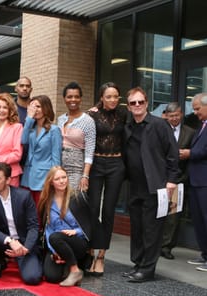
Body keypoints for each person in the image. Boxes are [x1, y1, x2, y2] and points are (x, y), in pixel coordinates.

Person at [122, 87, 179, 283]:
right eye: (133, 103)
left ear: (147, 103)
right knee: (137, 228)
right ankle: (138, 264)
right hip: (134, 186)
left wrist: (172, 179)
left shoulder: (159, 125)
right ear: (128, 107)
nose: (137, 105)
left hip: (155, 186)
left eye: (140, 102)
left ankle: (147, 269)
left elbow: (173, 154)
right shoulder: (128, 126)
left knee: (151, 229)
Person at [87, 82, 129, 276]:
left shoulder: (124, 114)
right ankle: (90, 251)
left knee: (109, 210)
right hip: (96, 163)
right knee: (93, 208)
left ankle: (102, 255)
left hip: (116, 165)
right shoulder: (92, 114)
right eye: (109, 96)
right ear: (102, 97)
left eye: (116, 96)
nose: (113, 100)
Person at [0, 163, 42, 284]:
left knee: (32, 278)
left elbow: (33, 226)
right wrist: (10, 241)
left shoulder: (24, 196)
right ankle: (0, 263)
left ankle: (29, 260)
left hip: (24, 244)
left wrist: (25, 248)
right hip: (4, 242)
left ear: (8, 180)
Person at [37, 166, 92, 287]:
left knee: (56, 237)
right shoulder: (46, 201)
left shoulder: (78, 197)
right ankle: (67, 265)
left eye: (64, 177)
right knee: (51, 277)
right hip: (55, 245)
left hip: (77, 242)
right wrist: (54, 251)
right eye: (57, 179)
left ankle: (74, 270)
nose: (62, 181)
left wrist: (76, 231)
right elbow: (47, 230)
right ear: (51, 182)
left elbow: (89, 225)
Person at [160, 103, 195, 260]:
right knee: (157, 213)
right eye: (171, 115)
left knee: (173, 215)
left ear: (181, 114)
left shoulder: (191, 133)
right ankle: (154, 245)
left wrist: (188, 154)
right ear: (166, 115)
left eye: (177, 115)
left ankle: (166, 247)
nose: (174, 118)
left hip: (179, 179)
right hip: (159, 178)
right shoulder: (159, 129)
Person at [20, 95, 62, 206]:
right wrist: (29, 118)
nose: (35, 110)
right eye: (32, 106)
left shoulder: (54, 130)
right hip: (27, 177)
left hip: (44, 178)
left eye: (38, 106)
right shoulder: (30, 127)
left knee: (40, 213)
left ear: (46, 107)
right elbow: (23, 141)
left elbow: (56, 158)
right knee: (27, 212)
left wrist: (54, 179)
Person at [57, 82, 95, 191]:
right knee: (59, 199)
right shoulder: (60, 119)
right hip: (59, 165)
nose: (73, 100)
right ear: (64, 98)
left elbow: (90, 150)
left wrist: (85, 175)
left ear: (80, 99)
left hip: (76, 167)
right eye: (69, 97)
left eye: (76, 97)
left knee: (73, 200)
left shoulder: (88, 121)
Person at [186, 93, 207, 271]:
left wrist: (189, 154)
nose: (195, 113)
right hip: (195, 180)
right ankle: (205, 254)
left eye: (197, 109)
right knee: (199, 220)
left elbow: (202, 151)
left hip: (205, 182)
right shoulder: (201, 125)